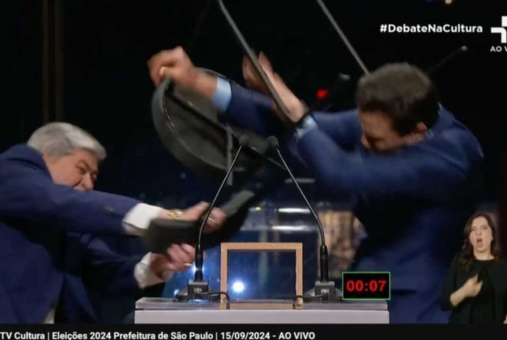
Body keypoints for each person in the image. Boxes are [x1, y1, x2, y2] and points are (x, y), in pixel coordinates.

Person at [146, 47, 484, 323]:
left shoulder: (452, 156)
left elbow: (341, 172)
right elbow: (298, 125)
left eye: (376, 141)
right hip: (368, 279)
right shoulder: (389, 121)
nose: (364, 144)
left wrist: (294, 111)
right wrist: (197, 81)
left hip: (420, 300)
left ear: (417, 133)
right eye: (362, 133)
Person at [0, 122, 227, 323]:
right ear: (45, 157)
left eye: (94, 177)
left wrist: (158, 264)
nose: (89, 185)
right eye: (81, 169)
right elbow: (62, 202)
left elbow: (108, 272)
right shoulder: (11, 171)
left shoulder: (68, 224)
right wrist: (170, 217)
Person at [440, 212, 507, 324]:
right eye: (473, 229)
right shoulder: (459, 261)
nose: (478, 232)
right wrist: (464, 292)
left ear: (492, 235)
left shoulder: (503, 265)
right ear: (469, 237)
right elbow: (444, 303)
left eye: (484, 228)